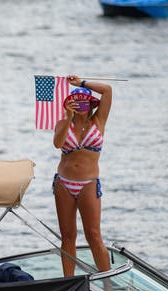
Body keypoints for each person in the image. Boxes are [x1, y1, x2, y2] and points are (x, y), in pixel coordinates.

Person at [52, 75, 112, 276]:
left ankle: (108, 283)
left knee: (94, 236)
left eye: (84, 100)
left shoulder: (99, 120)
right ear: (69, 104)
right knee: (68, 237)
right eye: (75, 100)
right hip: (64, 183)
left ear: (90, 103)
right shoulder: (62, 123)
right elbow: (58, 144)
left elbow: (107, 90)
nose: (80, 104)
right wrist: (68, 117)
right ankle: (68, 283)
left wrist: (81, 84)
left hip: (88, 183)